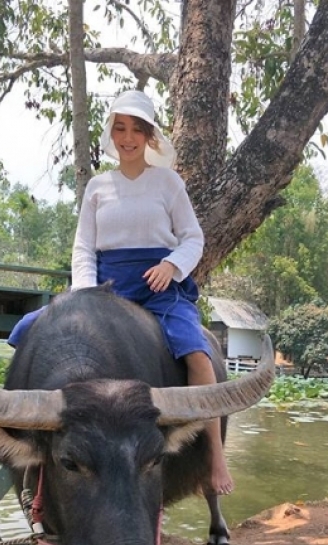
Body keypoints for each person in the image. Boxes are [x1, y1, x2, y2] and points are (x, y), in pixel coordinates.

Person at [70, 89, 234, 496]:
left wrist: (171, 265)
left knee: (197, 355)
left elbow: (193, 238)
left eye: (136, 130)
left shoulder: (168, 182)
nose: (127, 137)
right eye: (120, 128)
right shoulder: (97, 186)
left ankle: (215, 457)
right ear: (111, 133)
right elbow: (83, 248)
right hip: (107, 286)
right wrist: (87, 295)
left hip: (160, 286)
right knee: (31, 330)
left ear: (149, 137)